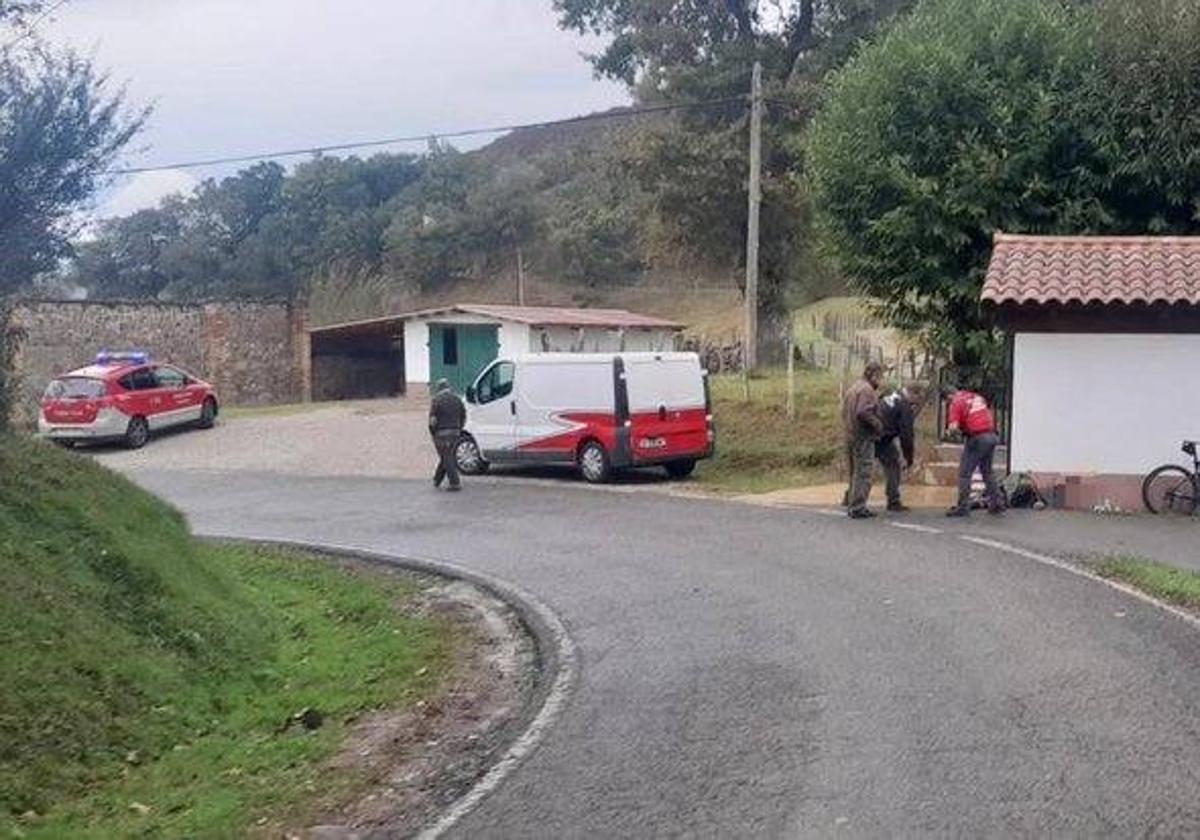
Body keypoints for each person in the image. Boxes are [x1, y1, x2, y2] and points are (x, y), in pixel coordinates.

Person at [942, 384, 1004, 517]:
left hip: (977, 438)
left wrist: (949, 434)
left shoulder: (956, 402)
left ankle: (962, 507)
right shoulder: (976, 397)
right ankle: (997, 503)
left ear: (948, 397)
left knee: (964, 473)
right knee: (987, 472)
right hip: (992, 436)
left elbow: (953, 427)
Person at [875, 382, 928, 512]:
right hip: (882, 438)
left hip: (871, 432)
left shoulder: (892, 393)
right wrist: (909, 458)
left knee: (861, 467)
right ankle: (893, 501)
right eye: (919, 398)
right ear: (913, 394)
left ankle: (850, 497)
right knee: (893, 466)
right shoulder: (905, 406)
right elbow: (907, 436)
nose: (918, 403)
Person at [842, 361, 884, 519]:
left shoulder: (854, 388)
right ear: (873, 375)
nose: (880, 381)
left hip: (850, 434)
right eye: (879, 377)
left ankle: (852, 503)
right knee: (864, 471)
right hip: (863, 436)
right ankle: (858, 506)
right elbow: (863, 412)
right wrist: (877, 424)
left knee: (854, 471)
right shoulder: (867, 391)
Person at [429, 379, 466, 492]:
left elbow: (433, 420)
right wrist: (459, 429)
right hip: (455, 432)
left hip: (441, 433)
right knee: (447, 456)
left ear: (439, 389)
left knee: (446, 456)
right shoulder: (458, 399)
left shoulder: (436, 400)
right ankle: (437, 479)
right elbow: (463, 417)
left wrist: (432, 432)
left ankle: (455, 482)